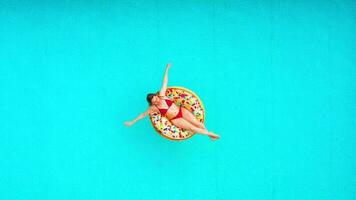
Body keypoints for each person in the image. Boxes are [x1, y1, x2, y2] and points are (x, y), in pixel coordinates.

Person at [124, 63, 220, 141]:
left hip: (181, 111)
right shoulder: (153, 108)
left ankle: (209, 136)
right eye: (154, 102)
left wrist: (167, 69)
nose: (157, 101)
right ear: (152, 103)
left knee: (198, 124)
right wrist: (131, 122)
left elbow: (165, 82)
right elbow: (142, 115)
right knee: (192, 128)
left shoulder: (162, 95)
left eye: (156, 99)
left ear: (157, 96)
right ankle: (210, 134)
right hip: (176, 119)